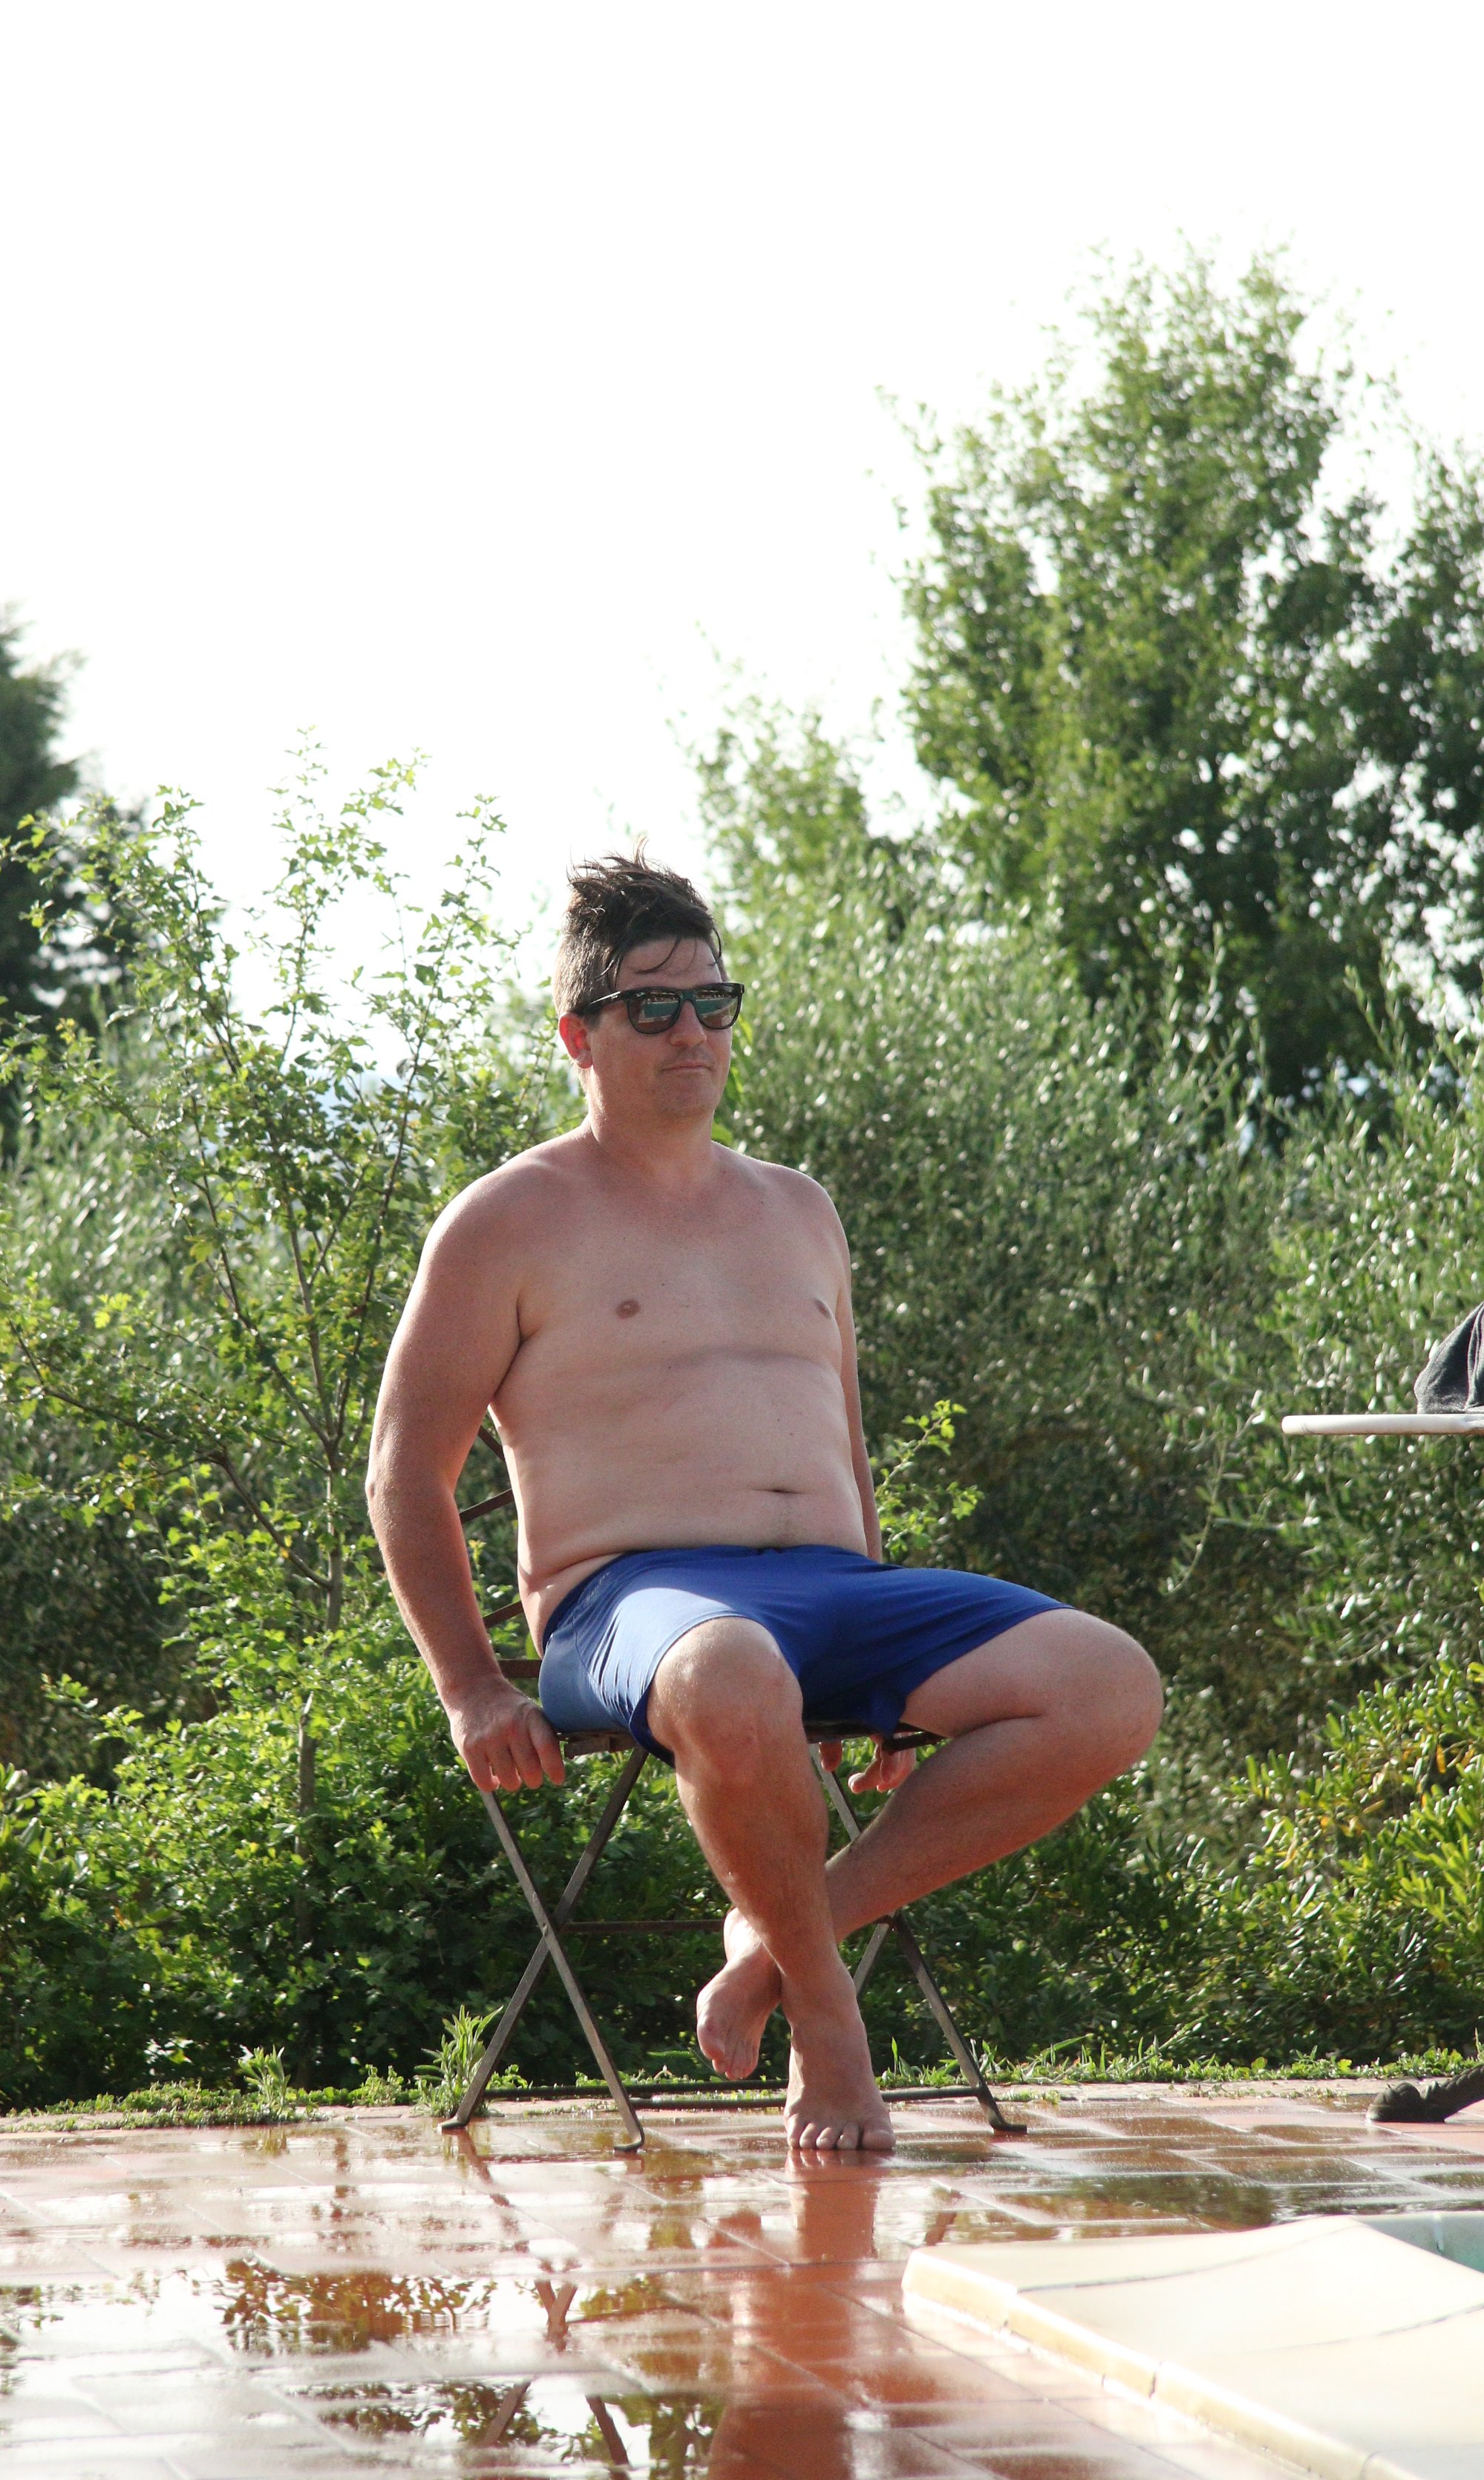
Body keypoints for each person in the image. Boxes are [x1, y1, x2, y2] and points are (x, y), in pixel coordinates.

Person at [367, 852, 1163, 2153]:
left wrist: (895, 1682)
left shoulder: (799, 1209)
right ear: (578, 1035)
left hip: (837, 1594)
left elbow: (843, 1446)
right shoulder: (506, 1220)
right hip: (631, 1605)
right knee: (731, 1672)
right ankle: (831, 2023)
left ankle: (778, 1946)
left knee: (1108, 1683)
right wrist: (469, 1687)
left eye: (713, 1004)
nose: (692, 1033)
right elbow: (404, 1471)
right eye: (653, 1008)